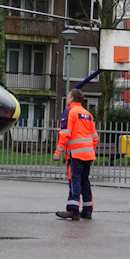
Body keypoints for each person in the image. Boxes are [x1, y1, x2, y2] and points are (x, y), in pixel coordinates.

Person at [53, 88, 99, 220]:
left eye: (68, 96)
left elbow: (65, 134)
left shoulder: (69, 112)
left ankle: (73, 210)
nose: (67, 98)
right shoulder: (88, 114)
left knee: (75, 180)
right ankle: (87, 210)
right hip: (87, 154)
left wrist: (58, 151)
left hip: (76, 154)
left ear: (72, 98)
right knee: (85, 181)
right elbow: (95, 137)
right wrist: (92, 153)